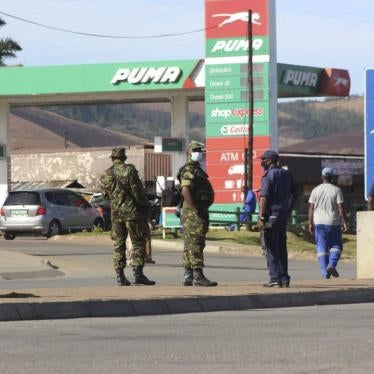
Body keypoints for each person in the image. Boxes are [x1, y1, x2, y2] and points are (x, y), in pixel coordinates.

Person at [100, 146, 155, 286]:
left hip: (116, 214)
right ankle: (138, 275)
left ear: (113, 158)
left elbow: (105, 195)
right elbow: (137, 192)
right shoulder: (129, 170)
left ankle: (120, 276)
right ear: (124, 157)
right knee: (137, 243)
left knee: (118, 244)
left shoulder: (106, 174)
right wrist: (146, 205)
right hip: (132, 213)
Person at [178, 141, 217, 287]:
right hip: (194, 214)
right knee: (196, 243)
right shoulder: (189, 169)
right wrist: (195, 209)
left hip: (197, 212)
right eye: (196, 150)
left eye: (200, 150)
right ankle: (198, 276)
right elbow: (185, 190)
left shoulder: (196, 169)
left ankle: (188, 275)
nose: (199, 152)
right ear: (189, 153)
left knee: (190, 243)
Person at [258, 150, 297, 288]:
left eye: (262, 160)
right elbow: (297, 192)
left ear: (269, 161)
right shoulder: (286, 174)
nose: (261, 162)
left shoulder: (268, 176)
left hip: (271, 216)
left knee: (271, 247)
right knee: (281, 246)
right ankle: (284, 278)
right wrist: (289, 208)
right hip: (282, 216)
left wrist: (261, 217)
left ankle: (275, 278)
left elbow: (264, 198)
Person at [308, 167, 348, 279]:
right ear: (332, 177)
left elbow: (311, 207)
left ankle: (325, 273)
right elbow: (341, 207)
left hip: (319, 223)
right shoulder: (336, 190)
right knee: (336, 245)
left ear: (322, 177)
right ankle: (331, 265)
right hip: (333, 223)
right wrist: (345, 222)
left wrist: (310, 223)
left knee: (321, 247)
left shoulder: (315, 190)